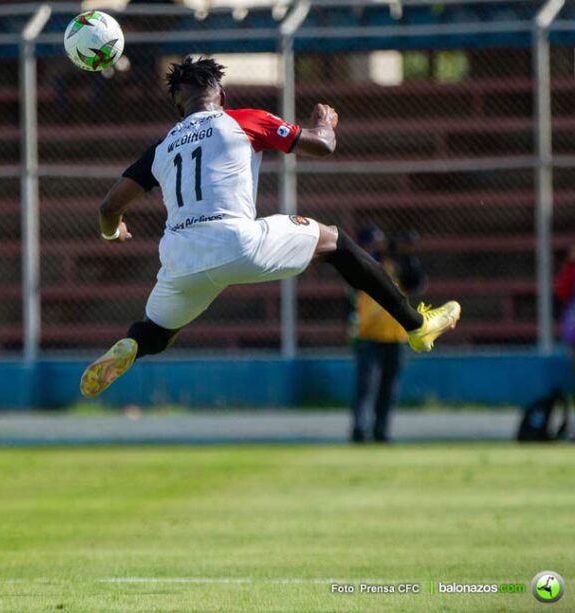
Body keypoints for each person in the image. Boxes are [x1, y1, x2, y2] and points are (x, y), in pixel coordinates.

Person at [79, 57, 461, 398]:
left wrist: (114, 232)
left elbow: (109, 206)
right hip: (237, 242)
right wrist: (325, 123)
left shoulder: (161, 148)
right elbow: (322, 146)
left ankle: (131, 345)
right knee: (336, 243)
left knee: (157, 332)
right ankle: (417, 326)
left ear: (179, 106)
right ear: (221, 95)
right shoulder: (241, 119)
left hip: (179, 258)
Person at [349, 226, 427, 443]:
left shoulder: (398, 265)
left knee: (388, 389)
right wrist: (388, 250)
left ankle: (381, 430)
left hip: (396, 335)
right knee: (366, 388)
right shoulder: (364, 263)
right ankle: (360, 429)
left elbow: (416, 284)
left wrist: (408, 255)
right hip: (369, 335)